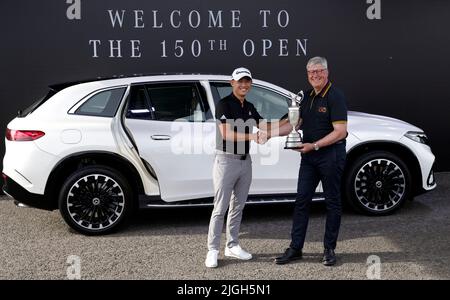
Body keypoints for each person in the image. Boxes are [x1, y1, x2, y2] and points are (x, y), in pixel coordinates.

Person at [274, 56, 348, 266]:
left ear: (327, 72)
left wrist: (314, 145)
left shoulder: (335, 96)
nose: (315, 75)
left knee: (332, 202)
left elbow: (340, 132)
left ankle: (329, 249)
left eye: (319, 71)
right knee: (301, 202)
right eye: (311, 73)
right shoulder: (305, 96)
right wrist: (269, 134)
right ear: (307, 75)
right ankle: (296, 248)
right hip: (309, 157)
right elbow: (293, 125)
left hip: (330, 156)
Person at [205, 67, 273, 268]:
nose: (244, 85)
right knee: (220, 208)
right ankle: (213, 250)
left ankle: (232, 245)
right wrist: (253, 136)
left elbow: (265, 127)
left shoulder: (249, 106)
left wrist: (293, 119)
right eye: (240, 81)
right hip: (226, 161)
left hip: (245, 162)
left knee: (238, 206)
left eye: (247, 81)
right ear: (232, 83)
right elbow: (226, 133)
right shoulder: (224, 104)